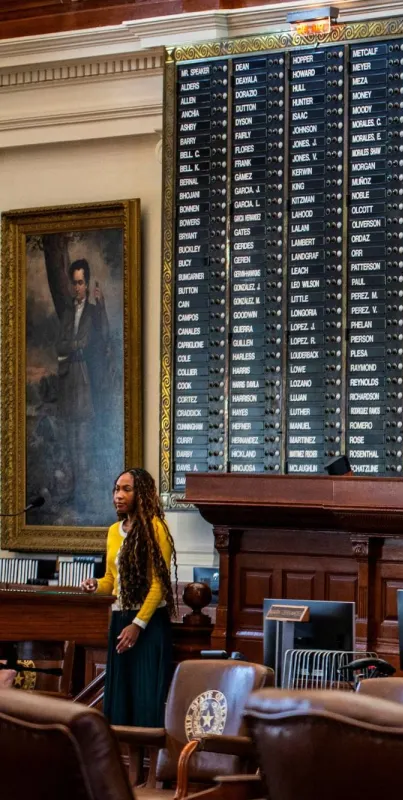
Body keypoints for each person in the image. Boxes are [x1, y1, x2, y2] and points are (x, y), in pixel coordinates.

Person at [82, 468, 177, 726]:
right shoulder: (114, 531)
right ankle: (120, 752)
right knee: (120, 701)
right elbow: (110, 580)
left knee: (146, 701)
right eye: (116, 489)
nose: (118, 495)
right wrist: (95, 585)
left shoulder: (156, 528)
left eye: (126, 489)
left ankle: (146, 753)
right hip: (119, 619)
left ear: (142, 494)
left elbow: (160, 584)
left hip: (148, 623)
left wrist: (137, 625)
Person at [56, 258, 110, 511]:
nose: (77, 287)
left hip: (85, 379)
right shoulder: (68, 314)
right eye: (74, 283)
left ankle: (84, 495)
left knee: (84, 436)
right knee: (70, 435)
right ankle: (73, 490)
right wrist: (75, 345)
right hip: (69, 379)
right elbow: (60, 345)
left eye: (80, 282)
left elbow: (102, 338)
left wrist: (102, 306)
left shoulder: (94, 312)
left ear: (87, 284)